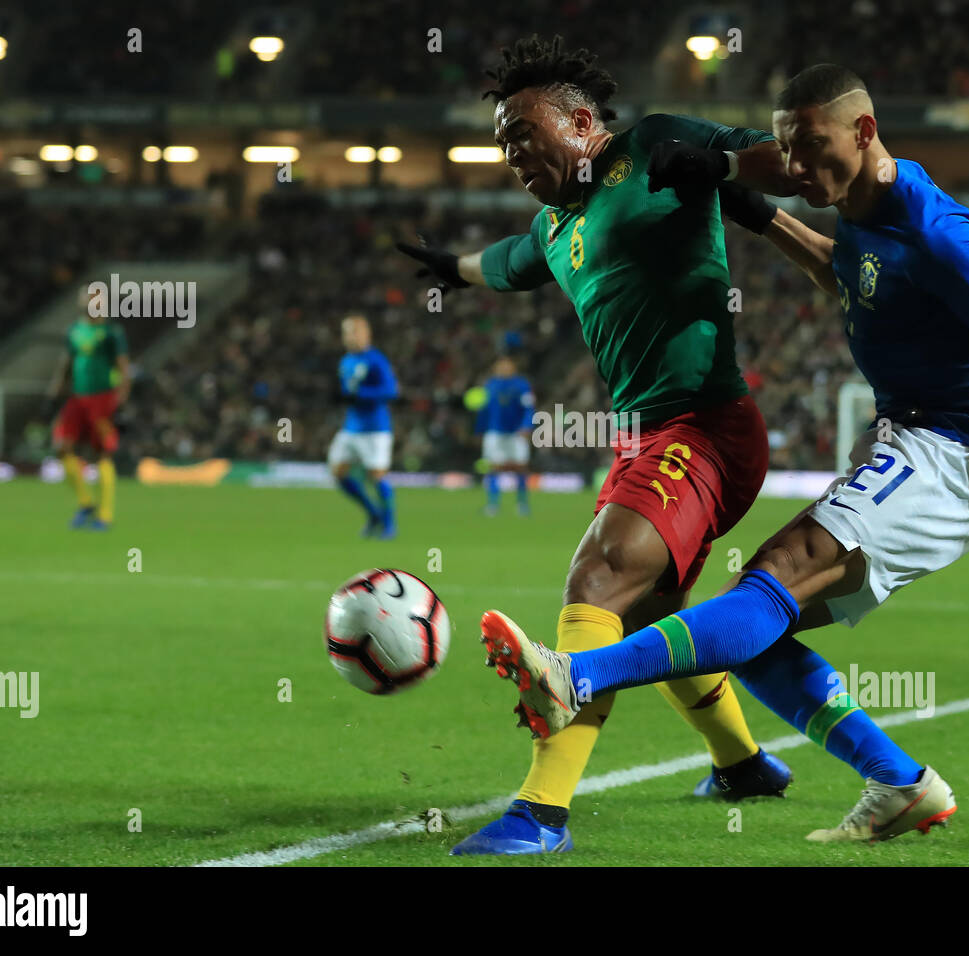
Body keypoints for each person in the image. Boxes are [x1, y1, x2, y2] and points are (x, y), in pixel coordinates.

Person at [481, 64, 969, 844]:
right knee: (757, 629)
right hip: (914, 440)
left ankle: (576, 675)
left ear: (865, 132)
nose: (797, 168)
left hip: (954, 452)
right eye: (785, 151)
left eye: (810, 147)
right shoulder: (862, 209)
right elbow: (841, 271)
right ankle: (899, 783)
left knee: (771, 582)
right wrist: (758, 212)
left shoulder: (938, 234)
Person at [398, 35, 798, 855]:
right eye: (501, 144)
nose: (510, 154)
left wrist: (718, 169)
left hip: (706, 424)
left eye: (522, 135)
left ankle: (542, 811)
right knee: (653, 612)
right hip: (642, 436)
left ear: (582, 121)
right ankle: (745, 765)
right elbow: (508, 261)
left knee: (600, 576)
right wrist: (453, 267)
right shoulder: (554, 227)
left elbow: (785, 164)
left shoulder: (650, 144)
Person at [50, 289, 130, 531]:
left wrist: (121, 401)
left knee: (102, 453)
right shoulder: (74, 331)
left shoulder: (111, 333)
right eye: (87, 299)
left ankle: (105, 515)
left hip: (103, 399)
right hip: (78, 398)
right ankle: (85, 503)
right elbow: (67, 363)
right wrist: (54, 393)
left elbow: (124, 368)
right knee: (62, 448)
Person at [329, 314, 398, 539]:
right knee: (338, 473)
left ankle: (389, 525)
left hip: (375, 428)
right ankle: (373, 514)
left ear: (366, 334)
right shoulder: (345, 361)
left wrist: (361, 394)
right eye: (346, 332)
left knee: (376, 476)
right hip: (351, 427)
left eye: (354, 331)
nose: (350, 337)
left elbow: (391, 391)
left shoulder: (376, 360)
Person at [477, 355, 534, 516]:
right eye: (500, 366)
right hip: (495, 431)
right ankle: (492, 505)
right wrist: (480, 430)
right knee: (493, 467)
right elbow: (485, 410)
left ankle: (522, 504)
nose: (503, 368)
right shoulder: (490, 385)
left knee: (521, 467)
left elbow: (529, 408)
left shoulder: (521, 385)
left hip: (516, 432)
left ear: (513, 368)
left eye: (506, 365)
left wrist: (526, 426)